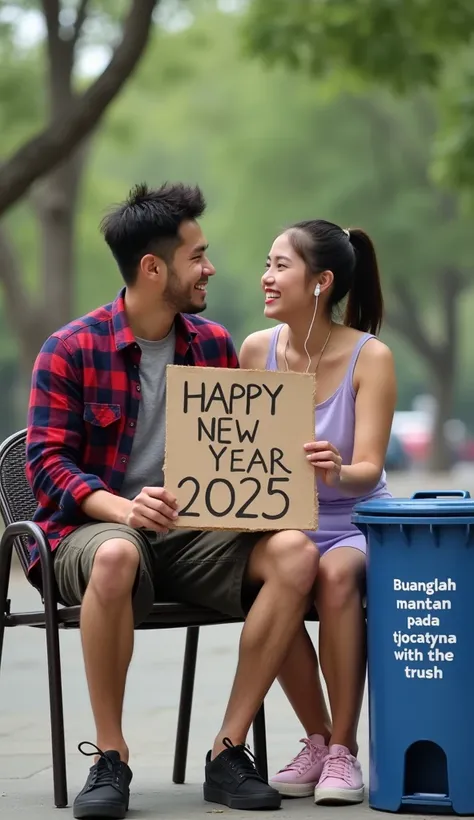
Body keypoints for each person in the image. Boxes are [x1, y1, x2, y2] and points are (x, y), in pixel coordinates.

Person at [25, 184, 321, 819]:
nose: (210, 268)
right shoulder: (70, 349)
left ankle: (227, 750)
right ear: (154, 268)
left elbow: (242, 453)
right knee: (114, 558)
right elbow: (45, 465)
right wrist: (122, 508)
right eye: (198, 256)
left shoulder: (213, 345)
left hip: (192, 533)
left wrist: (283, 465)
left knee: (296, 552)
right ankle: (110, 756)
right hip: (94, 531)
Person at [239, 219, 396, 805]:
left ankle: (345, 752)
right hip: (287, 525)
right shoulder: (257, 350)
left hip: (356, 521)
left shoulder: (369, 356)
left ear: (322, 282)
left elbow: (368, 469)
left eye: (281, 266)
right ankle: (318, 739)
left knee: (333, 576)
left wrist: (334, 468)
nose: (267, 277)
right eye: (268, 263)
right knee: (280, 573)